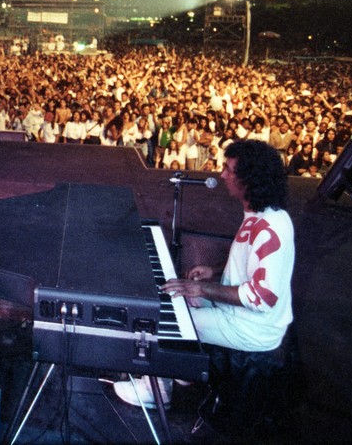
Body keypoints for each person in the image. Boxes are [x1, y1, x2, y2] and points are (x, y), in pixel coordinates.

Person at [116, 140, 294, 409]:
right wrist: (215, 271)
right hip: (239, 313)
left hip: (253, 328)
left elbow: (262, 297)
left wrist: (202, 289)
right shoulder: (262, 213)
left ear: (249, 179)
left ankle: (158, 391)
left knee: (165, 324)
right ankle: (180, 372)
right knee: (176, 298)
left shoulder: (269, 229)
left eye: (229, 170)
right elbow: (253, 264)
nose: (222, 175)